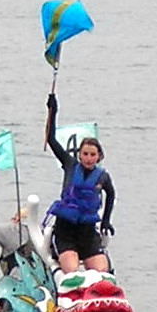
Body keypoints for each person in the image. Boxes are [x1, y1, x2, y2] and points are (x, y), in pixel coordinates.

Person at [45, 93, 115, 273]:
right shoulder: (70, 165)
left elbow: (111, 195)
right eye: (85, 154)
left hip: (88, 232)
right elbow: (51, 140)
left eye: (93, 155)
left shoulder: (102, 176)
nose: (89, 158)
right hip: (65, 230)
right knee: (72, 270)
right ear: (79, 155)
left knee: (101, 271)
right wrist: (53, 112)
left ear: (99, 156)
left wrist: (106, 220)